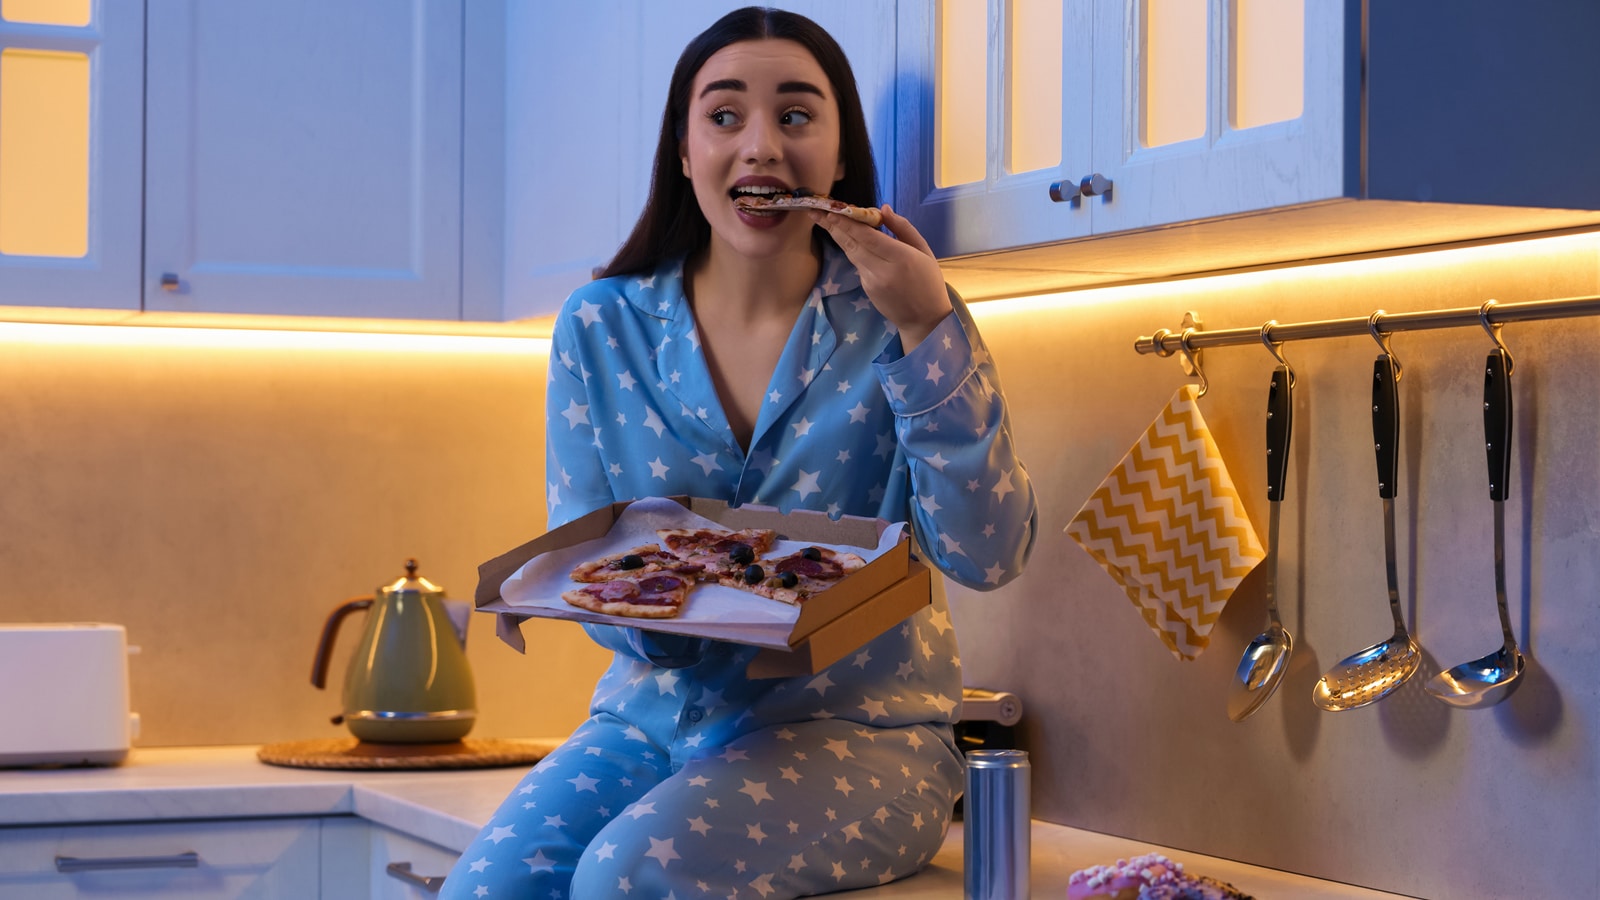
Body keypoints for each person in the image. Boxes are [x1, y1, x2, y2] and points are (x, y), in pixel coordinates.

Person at [442, 7, 1036, 898]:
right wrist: (665, 606)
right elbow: (584, 559)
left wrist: (928, 327)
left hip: (862, 735)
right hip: (646, 724)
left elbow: (988, 554)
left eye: (795, 116)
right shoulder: (600, 327)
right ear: (684, 152)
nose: (760, 144)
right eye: (724, 116)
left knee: (626, 876)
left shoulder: (903, 313)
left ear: (840, 156)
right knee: (487, 888)